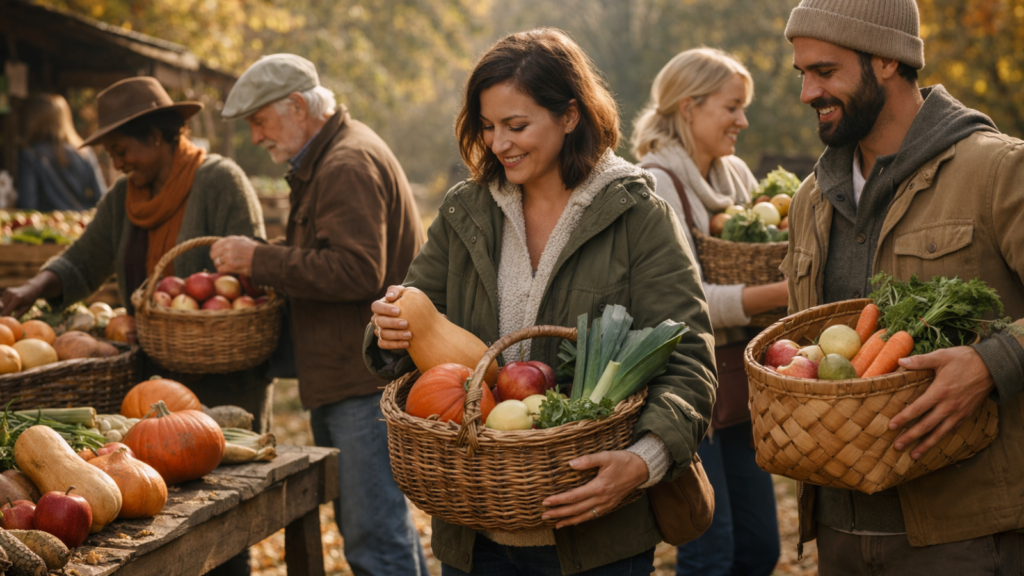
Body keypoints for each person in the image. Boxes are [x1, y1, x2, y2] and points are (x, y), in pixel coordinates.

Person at [365, 28, 717, 575]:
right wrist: (388, 330)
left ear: (570, 115)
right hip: (476, 527)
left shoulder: (638, 215)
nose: (498, 143)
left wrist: (644, 460)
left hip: (597, 532)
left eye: (516, 125)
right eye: (487, 127)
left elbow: (690, 355)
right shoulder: (466, 212)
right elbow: (417, 306)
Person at [783, 1, 1024, 573]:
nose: (806, 93)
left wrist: (995, 362)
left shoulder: (996, 170)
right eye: (802, 75)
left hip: (965, 538)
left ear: (887, 60)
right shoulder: (809, 201)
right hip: (840, 531)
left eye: (824, 71)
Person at [0, 77, 267, 576]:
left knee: (225, 524)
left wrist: (180, 312)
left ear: (162, 135)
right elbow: (82, 261)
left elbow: (250, 280)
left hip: (221, 378)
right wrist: (27, 291)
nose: (117, 163)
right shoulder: (125, 195)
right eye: (111, 153)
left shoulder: (220, 181)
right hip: (150, 385)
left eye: (123, 150)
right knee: (168, 525)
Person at [212, 54, 428, 576]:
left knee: (374, 539)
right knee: (380, 530)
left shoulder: (345, 163)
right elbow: (333, 252)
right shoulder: (331, 156)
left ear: (297, 106)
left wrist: (259, 258)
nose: (257, 136)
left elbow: (356, 269)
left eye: (261, 121)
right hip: (345, 374)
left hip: (362, 380)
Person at [632, 48, 782, 576]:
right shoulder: (654, 186)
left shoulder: (737, 178)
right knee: (709, 552)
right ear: (689, 107)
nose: (743, 120)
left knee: (761, 548)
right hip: (686, 392)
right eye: (732, 107)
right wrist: (781, 293)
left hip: (741, 385)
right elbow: (689, 304)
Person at [16, 93, 106, 211]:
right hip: (81, 223)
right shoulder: (84, 151)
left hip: (46, 226)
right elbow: (101, 197)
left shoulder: (29, 155)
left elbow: (27, 205)